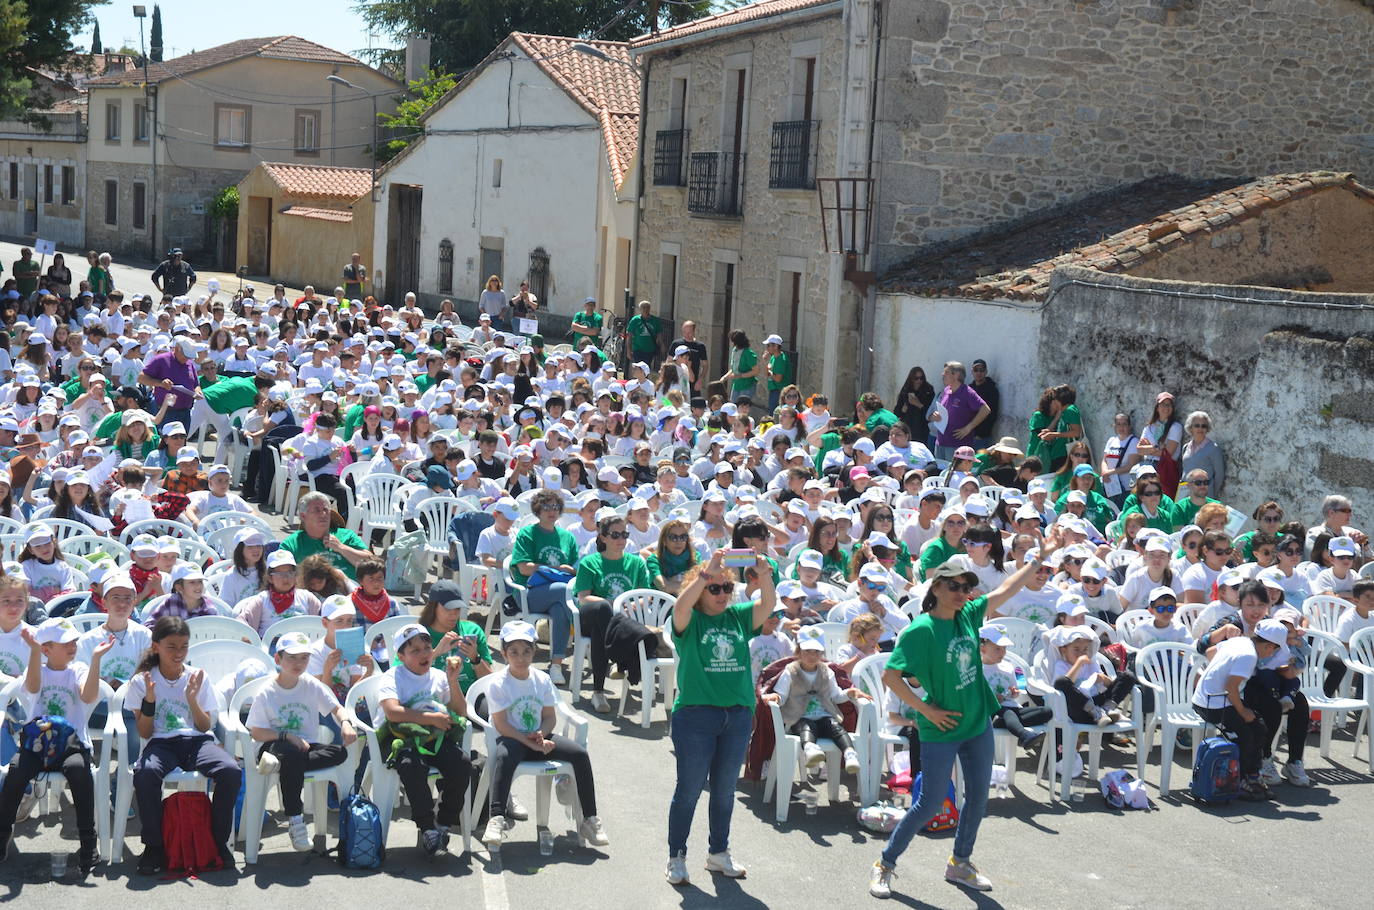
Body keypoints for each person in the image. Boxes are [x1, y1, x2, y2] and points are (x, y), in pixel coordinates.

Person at [869, 538, 1063, 900]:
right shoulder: (919, 630)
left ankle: (960, 862)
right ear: (936, 588)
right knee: (928, 804)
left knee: (977, 798)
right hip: (940, 730)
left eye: (967, 586)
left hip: (977, 723)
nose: (963, 592)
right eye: (955, 586)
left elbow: (1006, 589)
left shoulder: (968, 615)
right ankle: (885, 862)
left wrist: (1037, 560)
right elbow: (891, 676)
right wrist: (925, 709)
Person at [666, 549, 774, 885]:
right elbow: (680, 608)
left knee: (725, 791)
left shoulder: (738, 616)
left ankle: (718, 853)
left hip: (737, 715)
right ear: (700, 590)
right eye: (716, 589)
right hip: (696, 716)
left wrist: (765, 575)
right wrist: (705, 574)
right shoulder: (692, 620)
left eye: (727, 588)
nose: (723, 594)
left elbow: (767, 607)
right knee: (689, 790)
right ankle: (676, 856)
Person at [126, 616, 242, 874]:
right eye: (171, 647)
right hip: (161, 744)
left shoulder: (197, 677)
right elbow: (145, 731)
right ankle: (154, 846)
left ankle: (216, 841)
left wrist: (192, 699)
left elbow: (204, 727)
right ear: (156, 647)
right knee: (145, 774)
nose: (179, 653)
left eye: (184, 647)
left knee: (231, 772)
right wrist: (150, 701)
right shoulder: (142, 681)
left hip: (196, 742)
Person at [480, 620, 609, 851]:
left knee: (579, 754)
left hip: (538, 739)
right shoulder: (498, 683)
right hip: (512, 739)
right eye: (514, 652)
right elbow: (501, 724)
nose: (520, 658)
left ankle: (589, 819)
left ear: (534, 652)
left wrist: (542, 733)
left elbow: (550, 716)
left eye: (526, 651)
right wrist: (531, 742)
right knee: (503, 755)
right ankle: (496, 818)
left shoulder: (542, 679)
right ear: (503, 654)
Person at [0, 616, 110, 875]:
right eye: (64, 643)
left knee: (80, 773)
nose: (72, 646)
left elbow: (89, 696)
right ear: (46, 649)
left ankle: (88, 842)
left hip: (71, 744)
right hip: (37, 744)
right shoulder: (36, 668)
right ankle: (2, 833)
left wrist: (95, 660)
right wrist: (34, 652)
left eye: (73, 641)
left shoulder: (79, 669)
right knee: (16, 773)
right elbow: (34, 686)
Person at [246, 631, 356, 853]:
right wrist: (287, 736)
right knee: (292, 753)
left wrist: (345, 723)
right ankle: (296, 819)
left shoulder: (310, 684)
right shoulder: (267, 691)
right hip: (274, 746)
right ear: (278, 660)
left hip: (305, 747)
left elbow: (337, 708)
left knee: (340, 753)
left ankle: (287, 767)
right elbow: (256, 732)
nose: (298, 663)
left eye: (304, 658)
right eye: (292, 658)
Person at [378, 623, 473, 856]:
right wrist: (429, 718)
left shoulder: (439, 676)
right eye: (415, 651)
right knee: (412, 767)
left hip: (434, 738)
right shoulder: (393, 676)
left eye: (427, 648)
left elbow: (461, 712)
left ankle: (443, 823)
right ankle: (427, 827)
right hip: (402, 737)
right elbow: (392, 712)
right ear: (401, 656)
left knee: (462, 763)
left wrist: (453, 680)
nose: (424, 654)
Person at [1192, 617, 1289, 801]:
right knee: (1246, 734)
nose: (1273, 654)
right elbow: (1230, 687)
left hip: (1210, 698)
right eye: (1276, 649)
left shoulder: (1240, 641)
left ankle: (1252, 775)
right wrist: (1243, 712)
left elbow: (1211, 652)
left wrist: (1221, 668)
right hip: (1211, 704)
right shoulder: (1249, 656)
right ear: (1269, 646)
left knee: (1258, 726)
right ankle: (1242, 779)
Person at [572, 515, 650, 713]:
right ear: (603, 537)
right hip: (591, 615)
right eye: (615, 535)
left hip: (620, 620)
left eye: (624, 534)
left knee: (603, 630)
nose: (621, 539)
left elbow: (645, 596)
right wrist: (615, 605)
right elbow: (583, 597)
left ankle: (598, 691)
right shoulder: (590, 562)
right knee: (604, 610)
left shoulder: (637, 563)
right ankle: (621, 658)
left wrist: (624, 606)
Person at [509, 489, 579, 683]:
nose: (552, 511)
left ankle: (556, 664)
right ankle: (582, 632)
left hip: (558, 596)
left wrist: (571, 571)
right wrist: (555, 568)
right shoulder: (527, 533)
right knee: (563, 593)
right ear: (538, 510)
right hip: (529, 593)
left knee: (559, 607)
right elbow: (523, 568)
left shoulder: (567, 537)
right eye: (546, 507)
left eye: (556, 507)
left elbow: (575, 568)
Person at [978, 623, 1050, 750]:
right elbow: (976, 696)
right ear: (983, 649)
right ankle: (1024, 735)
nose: (1003, 653)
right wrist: (993, 698)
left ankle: (1003, 724)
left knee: (1047, 712)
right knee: (1007, 711)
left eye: (1004, 648)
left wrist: (1014, 692)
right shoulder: (978, 669)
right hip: (991, 709)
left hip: (1010, 708)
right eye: (997, 649)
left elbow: (1015, 693)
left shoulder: (1008, 666)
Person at [279, 491, 372, 581]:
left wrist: (341, 547)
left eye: (325, 510)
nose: (323, 514)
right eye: (317, 510)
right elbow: (281, 575)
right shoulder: (292, 544)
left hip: (348, 592)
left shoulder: (347, 535)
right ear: (303, 516)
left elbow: (371, 565)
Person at [929, 361, 990, 461]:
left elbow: (985, 409)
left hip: (957, 446)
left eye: (946, 372)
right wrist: (935, 416)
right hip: (940, 442)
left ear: (956, 375)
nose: (943, 374)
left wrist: (968, 428)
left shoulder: (967, 392)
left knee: (953, 475)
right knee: (940, 474)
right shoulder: (946, 390)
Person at [1137, 392, 1183, 497]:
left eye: (1169, 405)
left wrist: (1149, 448)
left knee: (1161, 497)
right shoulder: (1149, 427)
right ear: (1157, 408)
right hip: (1147, 464)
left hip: (1163, 467)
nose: (1166, 408)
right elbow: (1139, 449)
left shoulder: (1175, 427)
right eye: (1163, 404)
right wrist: (1157, 448)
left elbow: (1168, 452)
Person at [1179, 410, 1225, 497]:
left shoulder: (1213, 448)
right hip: (1185, 494)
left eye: (1203, 426)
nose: (1200, 428)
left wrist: (1211, 495)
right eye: (1197, 425)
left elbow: (1219, 475)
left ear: (1207, 429)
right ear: (1191, 428)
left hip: (1204, 495)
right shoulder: (1185, 447)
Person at [720, 331, 762, 404]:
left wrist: (740, 375)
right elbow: (733, 369)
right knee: (733, 407)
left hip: (747, 385)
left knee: (742, 407)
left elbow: (756, 371)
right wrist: (724, 378)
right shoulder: (735, 351)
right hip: (736, 385)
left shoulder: (748, 353)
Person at [669, 321, 709, 394]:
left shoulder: (700, 346)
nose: (686, 335)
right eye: (684, 332)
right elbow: (669, 361)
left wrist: (701, 379)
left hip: (693, 383)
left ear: (694, 331)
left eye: (689, 332)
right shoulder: (676, 344)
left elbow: (705, 365)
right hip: (676, 380)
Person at [968, 359, 999, 450]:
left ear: (986, 372)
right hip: (967, 435)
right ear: (972, 372)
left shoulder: (992, 390)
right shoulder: (969, 389)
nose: (979, 373)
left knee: (981, 463)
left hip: (982, 438)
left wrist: (980, 434)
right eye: (976, 370)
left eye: (981, 370)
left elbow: (992, 414)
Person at [626, 299, 662, 369]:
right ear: (640, 309)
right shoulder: (635, 320)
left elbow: (659, 334)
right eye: (644, 307)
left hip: (650, 350)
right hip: (638, 349)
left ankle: (644, 379)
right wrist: (628, 350)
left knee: (646, 368)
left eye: (647, 307)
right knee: (639, 368)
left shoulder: (655, 321)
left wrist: (662, 345)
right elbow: (629, 336)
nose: (646, 309)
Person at [762, 334, 792, 412]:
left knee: (774, 413)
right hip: (773, 389)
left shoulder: (781, 359)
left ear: (775, 346)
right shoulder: (773, 357)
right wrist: (765, 362)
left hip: (779, 391)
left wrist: (770, 373)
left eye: (768, 345)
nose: (767, 348)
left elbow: (778, 379)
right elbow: (766, 373)